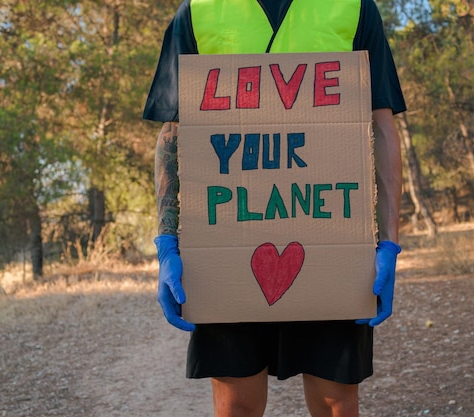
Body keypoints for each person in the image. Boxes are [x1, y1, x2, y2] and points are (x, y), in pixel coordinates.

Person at [143, 1, 406, 416]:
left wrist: (389, 243)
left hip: (331, 242)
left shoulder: (353, 7)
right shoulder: (198, 11)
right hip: (225, 244)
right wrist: (166, 242)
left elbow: (382, 123)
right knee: (236, 408)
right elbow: (172, 131)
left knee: (337, 405)